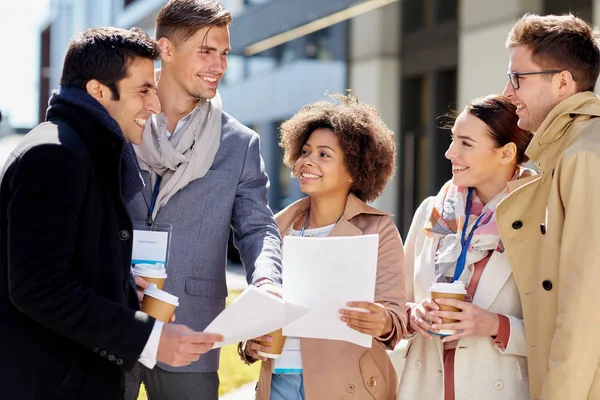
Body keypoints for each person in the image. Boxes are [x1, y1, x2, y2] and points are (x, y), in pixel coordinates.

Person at [0, 27, 224, 400]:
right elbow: (38, 287)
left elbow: (69, 264)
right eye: (143, 90)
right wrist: (149, 338)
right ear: (98, 91)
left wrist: (119, 283)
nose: (154, 106)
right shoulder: (55, 155)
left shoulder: (81, 150)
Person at [124, 1, 283, 399]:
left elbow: (257, 226)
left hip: (193, 328)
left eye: (224, 53)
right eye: (206, 51)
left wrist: (267, 279)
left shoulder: (239, 142)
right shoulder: (118, 122)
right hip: (115, 312)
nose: (219, 65)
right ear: (166, 50)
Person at [239, 92, 407, 400]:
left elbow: (396, 316)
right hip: (278, 385)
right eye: (305, 151)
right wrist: (248, 345)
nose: (308, 162)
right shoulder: (277, 226)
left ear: (354, 169)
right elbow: (259, 307)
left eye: (324, 155)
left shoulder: (378, 229)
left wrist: (381, 320)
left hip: (347, 385)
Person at [397, 95, 534, 400]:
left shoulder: (540, 218)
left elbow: (564, 327)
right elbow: (397, 301)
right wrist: (413, 314)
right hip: (424, 387)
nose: (449, 153)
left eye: (465, 143)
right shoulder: (432, 212)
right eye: (452, 140)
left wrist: (494, 324)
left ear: (506, 152)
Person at [497, 13, 600, 400]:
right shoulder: (569, 150)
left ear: (562, 82)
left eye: (517, 78)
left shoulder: (585, 155)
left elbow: (585, 304)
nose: (508, 92)